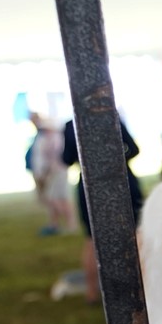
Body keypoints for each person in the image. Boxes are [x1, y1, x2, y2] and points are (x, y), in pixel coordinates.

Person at [63, 118, 144, 304]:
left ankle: (92, 293)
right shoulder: (110, 116)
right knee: (133, 236)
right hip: (121, 180)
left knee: (92, 240)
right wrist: (113, 161)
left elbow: (66, 159)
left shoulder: (71, 125)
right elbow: (133, 148)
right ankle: (137, 288)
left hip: (89, 184)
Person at [28, 113, 74, 235]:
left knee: (57, 198)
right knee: (54, 198)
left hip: (57, 171)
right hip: (50, 172)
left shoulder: (55, 138)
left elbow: (55, 157)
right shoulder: (43, 138)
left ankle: (69, 223)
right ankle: (55, 224)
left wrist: (45, 171)